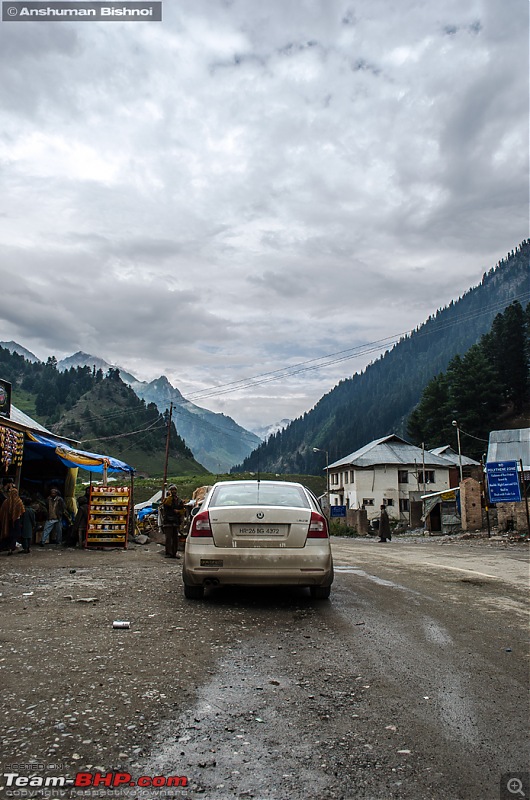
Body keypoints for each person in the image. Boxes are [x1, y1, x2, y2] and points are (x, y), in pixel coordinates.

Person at [161, 485, 185, 559]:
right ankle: (168, 553)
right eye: (172, 490)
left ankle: (174, 553)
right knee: (168, 538)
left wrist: (178, 511)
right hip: (168, 522)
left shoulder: (179, 500)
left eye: (174, 490)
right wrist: (170, 497)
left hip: (176, 522)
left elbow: (183, 510)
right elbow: (166, 504)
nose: (173, 491)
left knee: (175, 538)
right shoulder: (167, 500)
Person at [0, 486, 25, 555]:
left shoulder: (5, 502)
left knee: (9, 534)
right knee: (15, 535)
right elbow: (22, 511)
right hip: (16, 521)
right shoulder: (19, 501)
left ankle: (8, 548)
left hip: (7, 522)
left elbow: (2, 512)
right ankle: (11, 548)